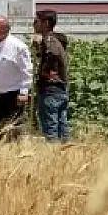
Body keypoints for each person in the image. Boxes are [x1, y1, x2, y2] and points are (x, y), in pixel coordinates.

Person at [33, 9, 71, 142]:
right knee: (61, 125)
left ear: (46, 23)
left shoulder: (49, 40)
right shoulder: (56, 40)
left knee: (51, 127)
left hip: (51, 88)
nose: (33, 24)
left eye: (36, 21)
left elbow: (52, 53)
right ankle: (66, 155)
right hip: (59, 88)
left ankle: (53, 156)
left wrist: (45, 71)